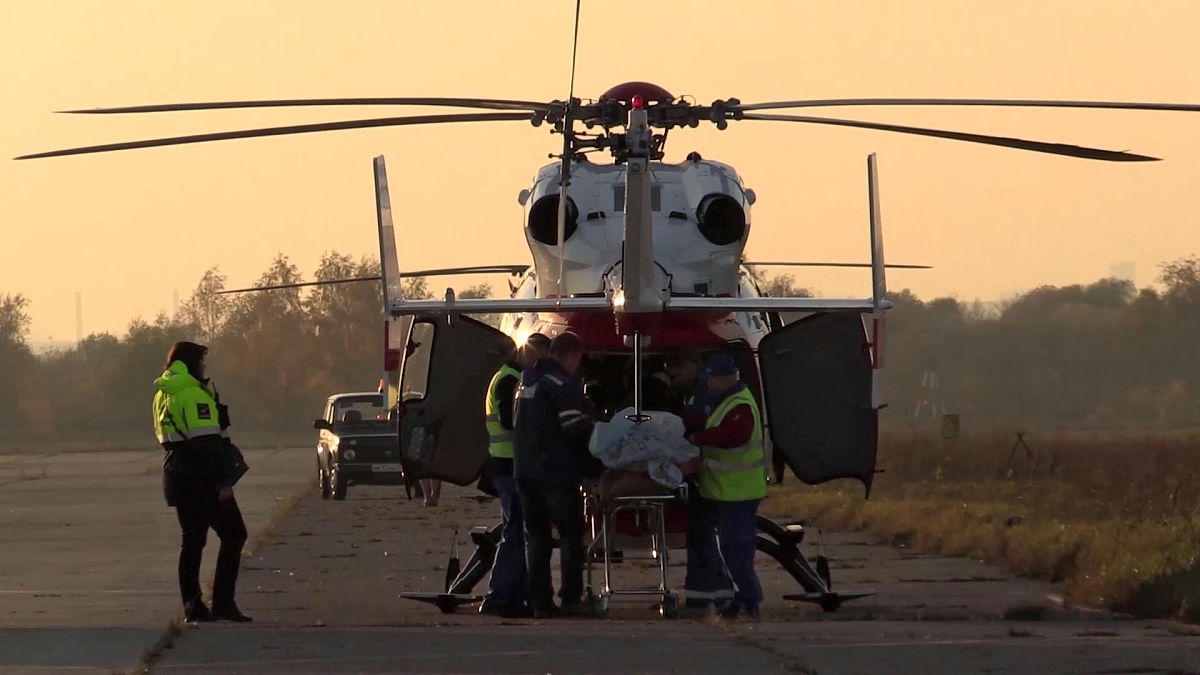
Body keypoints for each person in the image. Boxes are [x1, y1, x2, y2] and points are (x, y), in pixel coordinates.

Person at [153, 341, 252, 623]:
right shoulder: (192, 394)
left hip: (176, 473)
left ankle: (193, 607)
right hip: (202, 476)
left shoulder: (163, 393)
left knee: (193, 541)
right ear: (190, 363)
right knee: (234, 534)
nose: (204, 366)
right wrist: (222, 482)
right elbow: (207, 443)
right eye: (201, 361)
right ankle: (222, 603)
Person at [512, 331, 600, 618]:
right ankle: (571, 597)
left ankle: (540, 601)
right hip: (556, 472)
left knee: (535, 536)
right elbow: (576, 428)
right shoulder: (561, 385)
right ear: (571, 354)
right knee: (570, 534)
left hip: (524, 472)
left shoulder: (526, 384)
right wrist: (594, 467)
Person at [683, 353, 766, 619]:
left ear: (724, 379)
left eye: (711, 379)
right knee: (727, 549)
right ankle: (738, 597)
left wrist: (700, 438)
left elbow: (735, 436)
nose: (708, 384)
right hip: (723, 491)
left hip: (738, 492)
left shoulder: (739, 404)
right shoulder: (725, 401)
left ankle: (749, 598)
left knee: (736, 550)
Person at [479, 332, 550, 618]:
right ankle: (499, 595)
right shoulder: (510, 379)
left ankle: (513, 595)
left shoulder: (508, 376)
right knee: (515, 531)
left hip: (508, 464)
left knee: (518, 530)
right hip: (509, 464)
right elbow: (510, 421)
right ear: (531, 353)